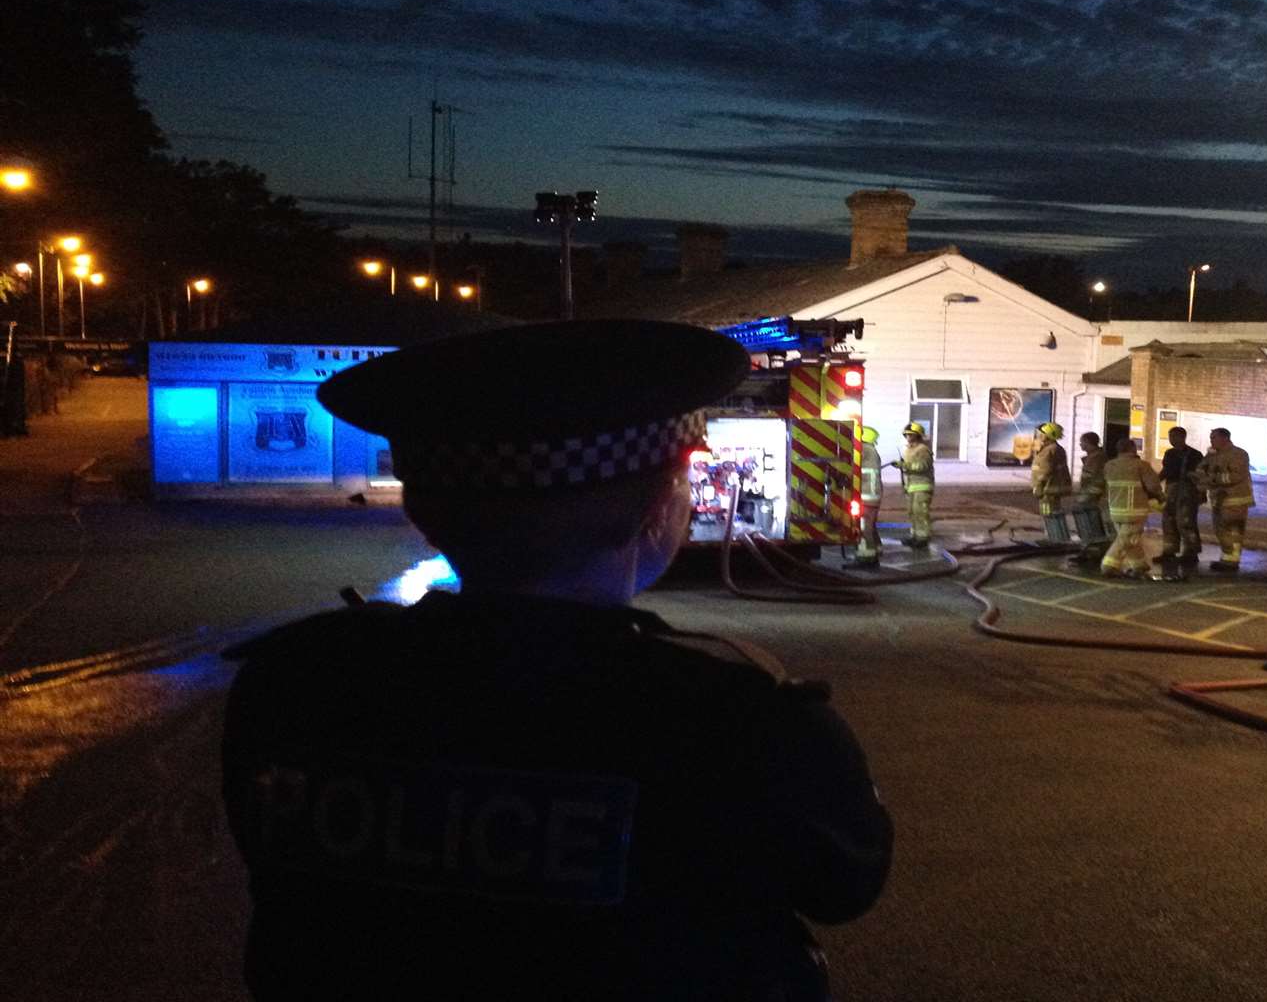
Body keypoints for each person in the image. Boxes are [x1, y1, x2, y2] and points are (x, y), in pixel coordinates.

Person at [219, 320, 893, 1002]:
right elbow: (845, 883)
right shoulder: (745, 720)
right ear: (661, 507)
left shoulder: (296, 683)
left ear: (422, 512)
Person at [1101, 438, 1162, 579]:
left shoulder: (1109, 465)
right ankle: (1109, 565)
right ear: (1133, 449)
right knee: (1125, 539)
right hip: (1135, 510)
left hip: (1115, 509)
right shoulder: (1141, 465)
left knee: (1130, 538)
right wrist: (1160, 497)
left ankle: (1138, 565)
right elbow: (1153, 486)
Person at [1202, 426, 1255, 572]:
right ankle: (1226, 557)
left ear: (1224, 438)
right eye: (1210, 437)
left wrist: (1214, 479)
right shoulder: (1214, 455)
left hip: (1235, 499)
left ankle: (1233, 560)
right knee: (1220, 530)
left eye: (1214, 437)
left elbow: (1237, 475)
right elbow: (1202, 469)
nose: (1211, 440)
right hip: (1219, 500)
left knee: (1233, 531)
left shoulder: (1238, 454)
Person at [1157, 426, 1205, 575]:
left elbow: (1200, 476)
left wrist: (1201, 492)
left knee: (1186, 521)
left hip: (1188, 491)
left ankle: (1191, 552)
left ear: (1182, 437)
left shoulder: (1195, 455)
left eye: (1174, 436)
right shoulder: (1169, 453)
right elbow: (1166, 471)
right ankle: (1169, 551)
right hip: (1171, 490)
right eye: (1170, 436)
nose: (1171, 440)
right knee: (1168, 520)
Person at [887, 420, 935, 547]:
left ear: (918, 436)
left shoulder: (923, 449)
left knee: (920, 512)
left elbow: (922, 466)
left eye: (911, 434)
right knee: (912, 512)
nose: (908, 437)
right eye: (906, 434)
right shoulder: (908, 450)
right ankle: (915, 536)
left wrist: (903, 465)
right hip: (911, 486)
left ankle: (923, 538)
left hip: (922, 486)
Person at [1069, 431, 1111, 561]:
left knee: (1090, 524)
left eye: (1082, 442)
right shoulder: (1095, 457)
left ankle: (1092, 551)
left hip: (1093, 497)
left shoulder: (1097, 458)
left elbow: (1096, 480)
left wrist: (1085, 496)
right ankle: (1093, 550)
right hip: (1091, 496)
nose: (1081, 444)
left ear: (1088, 442)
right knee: (1091, 524)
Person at [1029, 420, 1072, 544]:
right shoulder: (1056, 448)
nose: (1038, 436)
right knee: (1055, 513)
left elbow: (1044, 471)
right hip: (1055, 488)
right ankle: (1059, 537)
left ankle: (1052, 538)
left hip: (1047, 489)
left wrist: (1038, 486)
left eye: (1040, 434)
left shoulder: (1048, 451)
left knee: (1048, 514)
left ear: (1046, 436)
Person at [854, 424, 884, 566]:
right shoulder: (872, 450)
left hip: (867, 496)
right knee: (871, 525)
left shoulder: (865, 450)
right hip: (872, 496)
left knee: (865, 526)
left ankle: (867, 556)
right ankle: (877, 548)